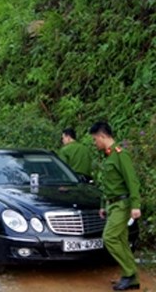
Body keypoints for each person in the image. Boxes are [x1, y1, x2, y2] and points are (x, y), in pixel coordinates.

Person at [89, 122, 141, 291]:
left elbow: (132, 181)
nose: (95, 143)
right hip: (113, 204)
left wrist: (135, 205)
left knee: (109, 238)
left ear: (103, 136)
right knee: (121, 240)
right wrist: (104, 205)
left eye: (95, 139)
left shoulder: (120, 155)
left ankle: (130, 272)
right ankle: (131, 278)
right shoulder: (109, 156)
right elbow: (109, 185)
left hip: (122, 204)